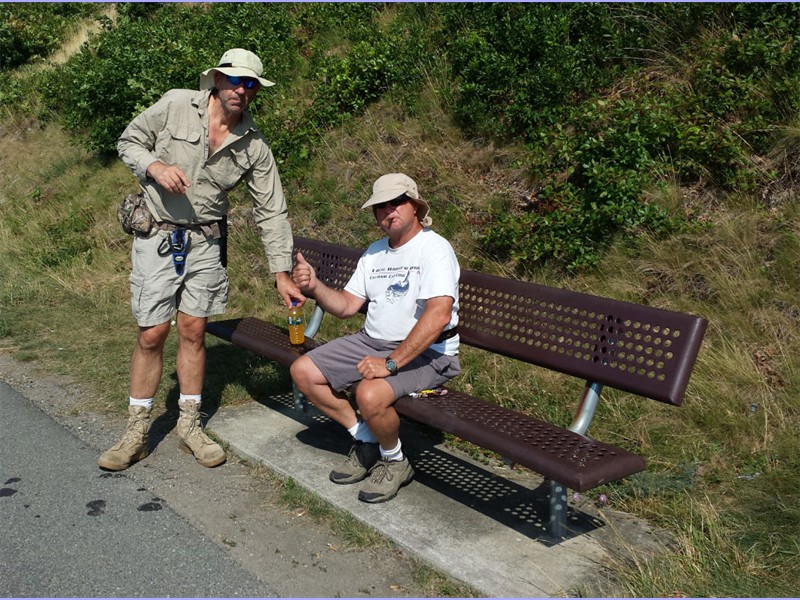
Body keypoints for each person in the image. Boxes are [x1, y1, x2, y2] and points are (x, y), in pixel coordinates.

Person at [98, 48, 303, 471]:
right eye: (235, 81)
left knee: (193, 329)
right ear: (217, 79)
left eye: (251, 86)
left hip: (207, 243)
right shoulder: (175, 104)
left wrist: (280, 272)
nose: (242, 91)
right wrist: (155, 166)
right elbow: (128, 140)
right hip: (157, 235)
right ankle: (136, 430)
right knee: (152, 332)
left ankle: (189, 424)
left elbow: (272, 210)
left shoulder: (254, 145)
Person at [290, 173, 461, 503]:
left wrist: (391, 362)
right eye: (380, 206)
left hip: (430, 352)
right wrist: (314, 287)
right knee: (303, 372)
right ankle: (366, 439)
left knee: (369, 394)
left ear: (415, 206)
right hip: (371, 340)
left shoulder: (435, 249)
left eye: (396, 202)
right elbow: (346, 306)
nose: (388, 211)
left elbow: (439, 315)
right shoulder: (374, 253)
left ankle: (395, 461)